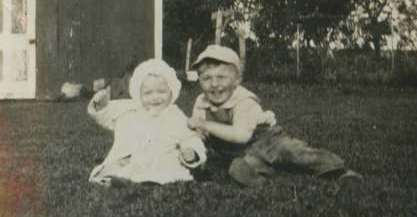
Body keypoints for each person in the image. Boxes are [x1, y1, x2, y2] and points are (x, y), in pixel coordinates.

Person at [188, 45, 361, 188]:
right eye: (206, 78)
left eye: (221, 77)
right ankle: (262, 177)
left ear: (237, 80)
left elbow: (241, 135)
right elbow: (199, 133)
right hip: (239, 153)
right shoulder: (201, 102)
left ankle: (339, 171)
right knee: (239, 167)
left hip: (268, 140)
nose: (214, 84)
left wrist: (204, 125)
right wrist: (197, 140)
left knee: (295, 153)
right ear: (199, 81)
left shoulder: (244, 100)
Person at [88, 59, 206, 186]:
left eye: (161, 91)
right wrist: (102, 107)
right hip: (132, 158)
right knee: (117, 166)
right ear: (138, 94)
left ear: (171, 92)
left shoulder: (174, 114)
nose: (155, 97)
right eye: (148, 93)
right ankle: (116, 180)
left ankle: (138, 180)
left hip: (162, 156)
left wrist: (192, 151)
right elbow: (109, 116)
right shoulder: (131, 109)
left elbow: (189, 136)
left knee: (166, 166)